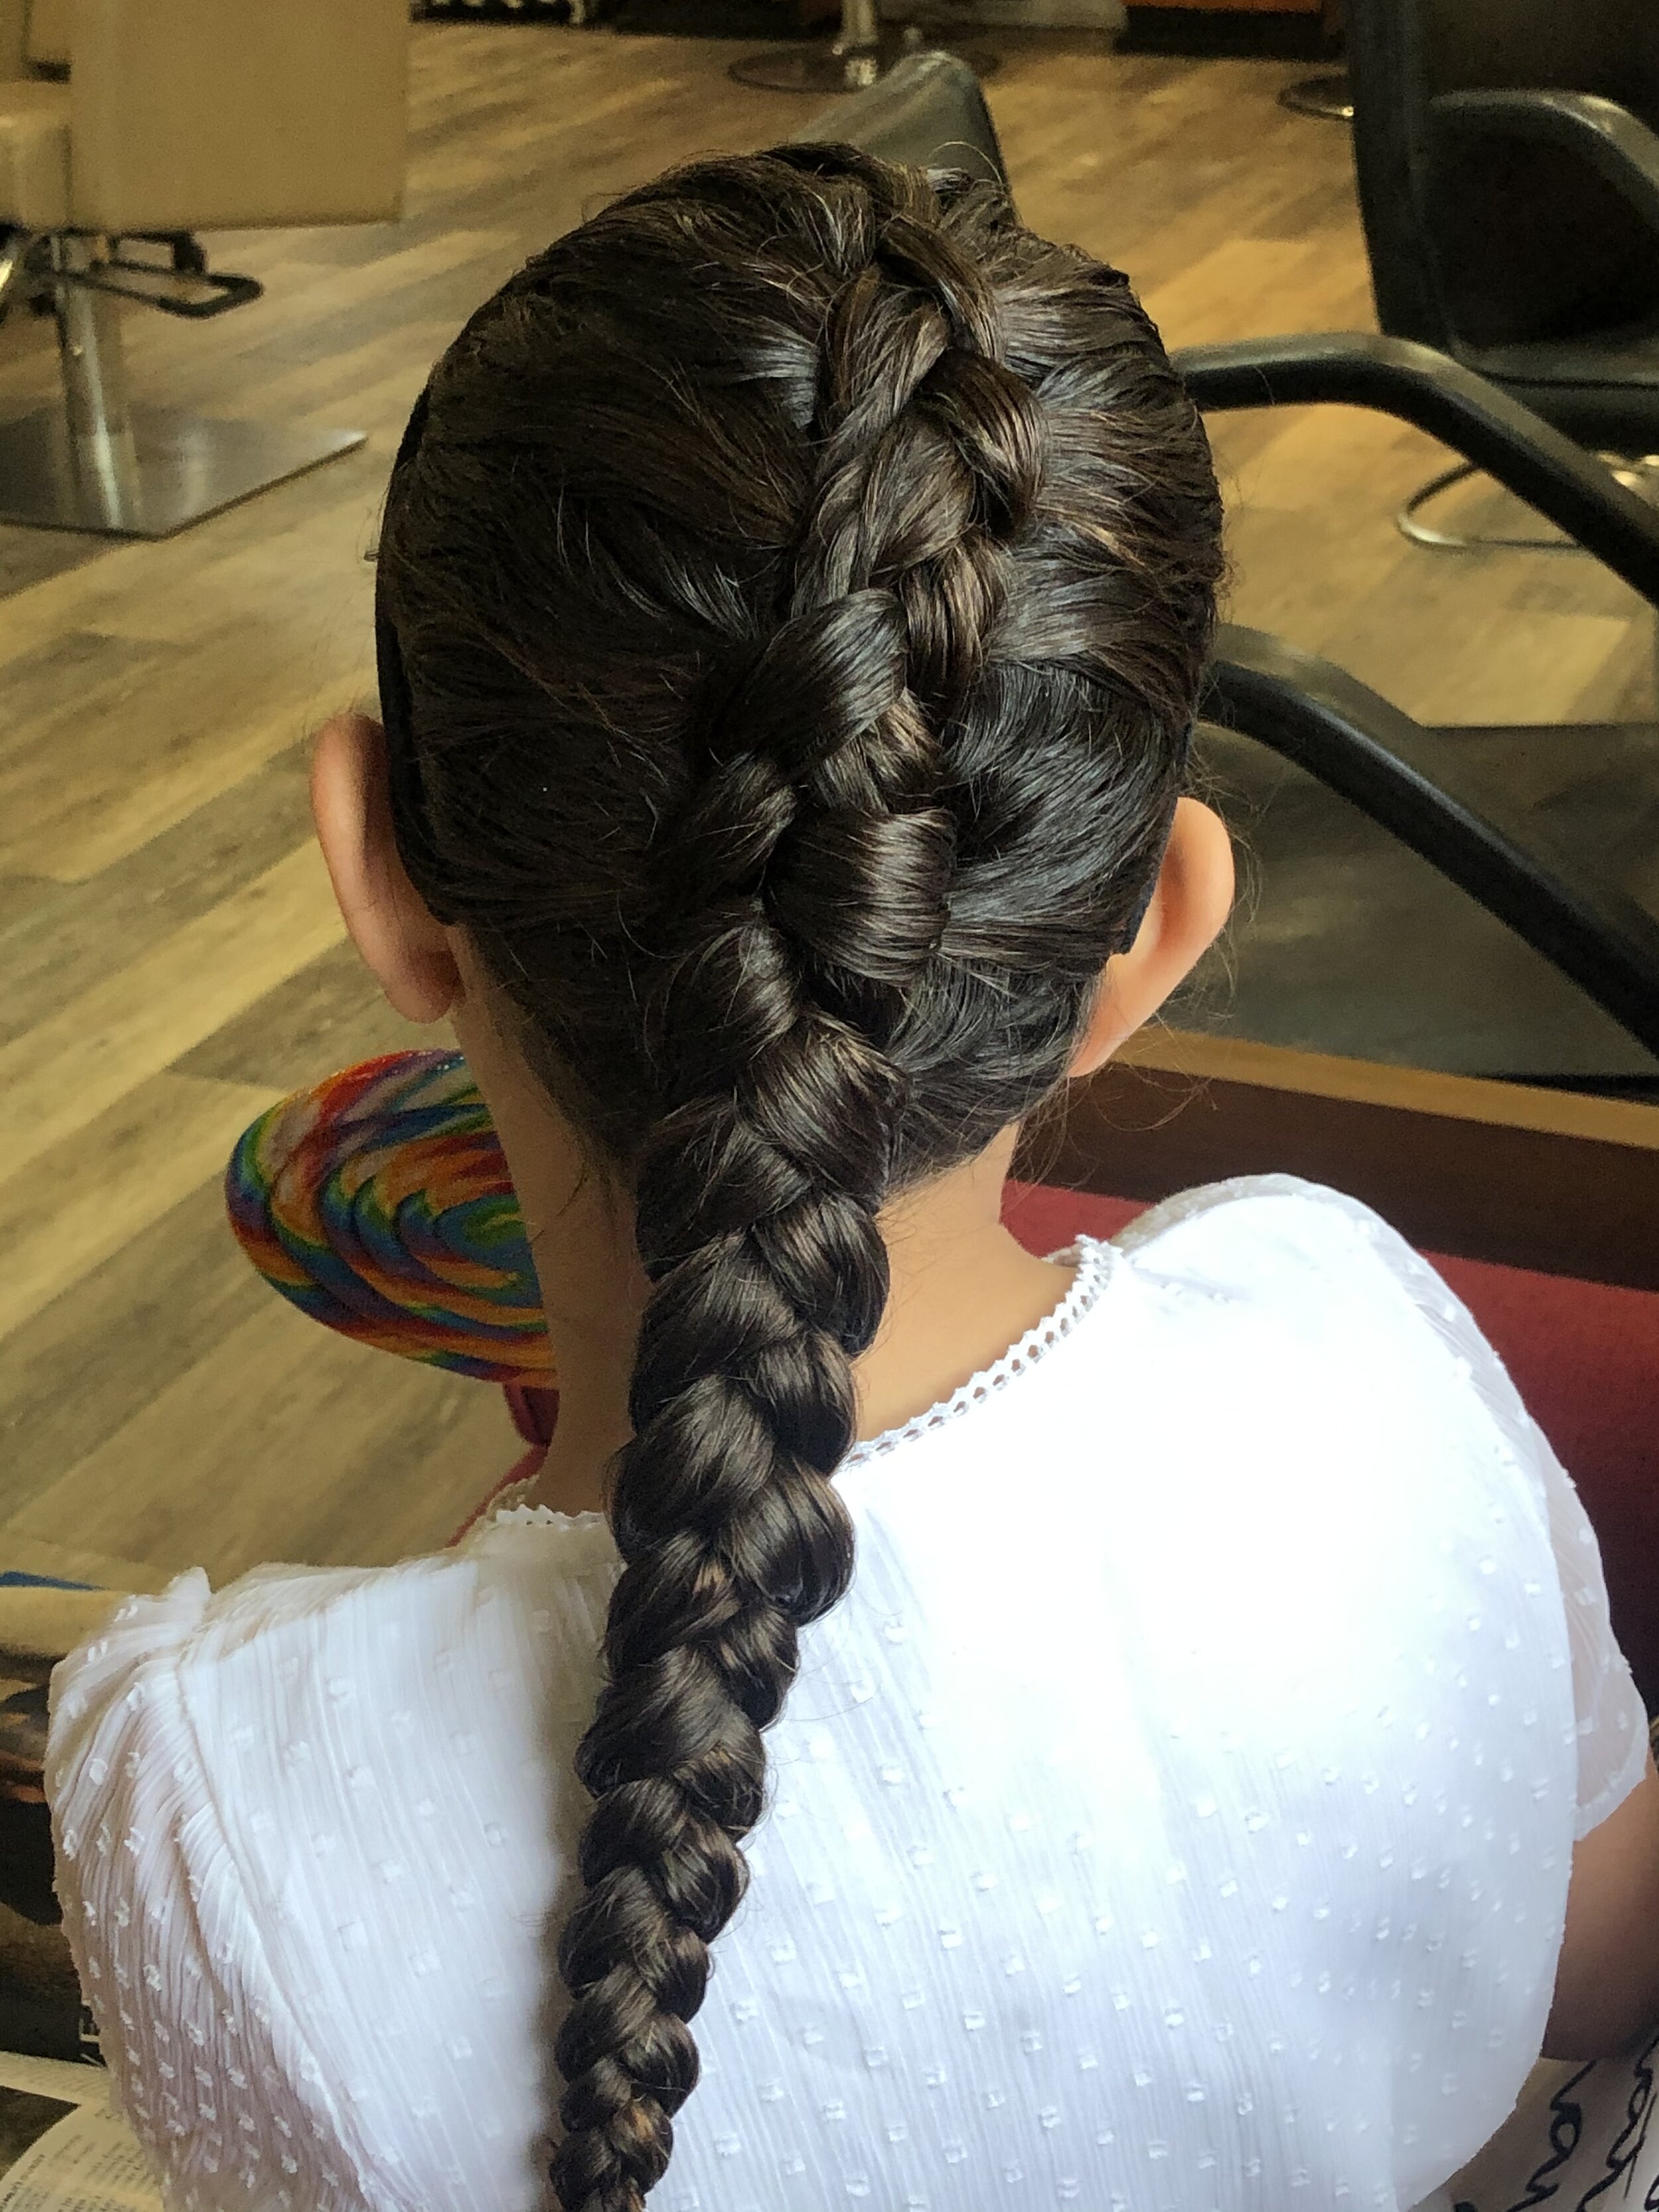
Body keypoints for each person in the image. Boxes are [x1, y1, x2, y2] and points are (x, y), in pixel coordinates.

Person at [42, 144, 1652, 2212]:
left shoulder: (214, 1799)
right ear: (1149, 931)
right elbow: (1607, 1975)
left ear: (377, 869)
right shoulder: (1362, 1349)